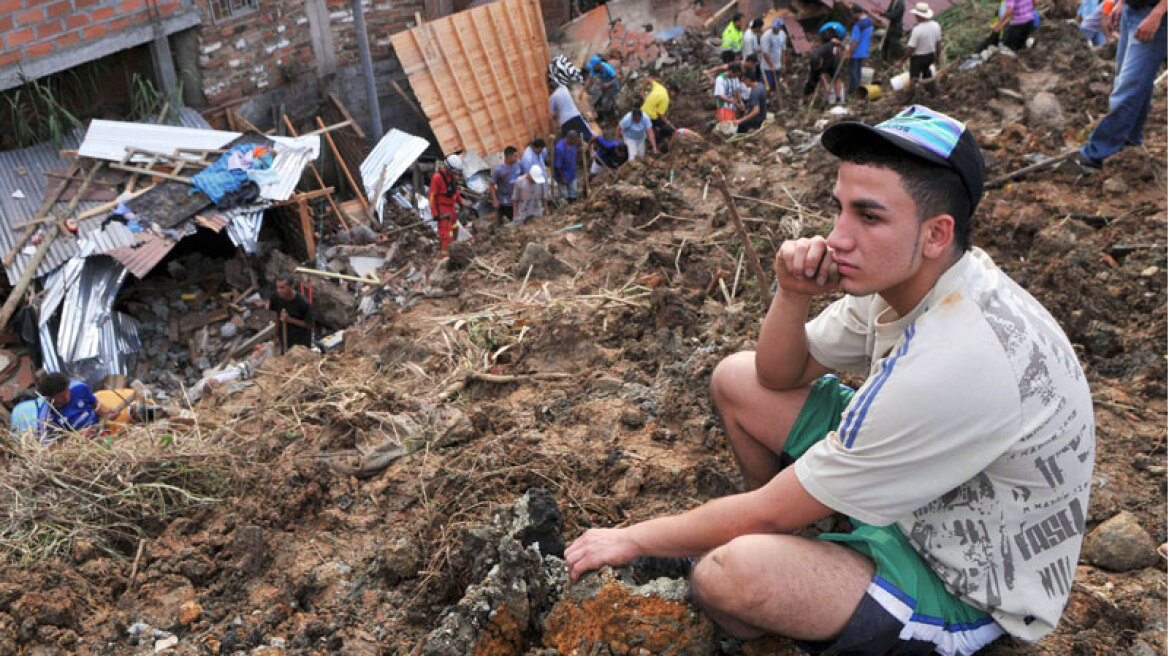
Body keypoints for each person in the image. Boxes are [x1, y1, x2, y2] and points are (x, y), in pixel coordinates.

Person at [565, 105, 1094, 655]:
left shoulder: (957, 354)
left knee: (728, 576)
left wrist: (629, 539)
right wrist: (792, 293)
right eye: (839, 209)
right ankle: (807, 542)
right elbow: (776, 373)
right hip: (918, 497)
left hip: (964, 582)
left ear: (937, 234)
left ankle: (797, 613)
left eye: (869, 217)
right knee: (736, 380)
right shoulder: (911, 281)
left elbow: (768, 509)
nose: (838, 237)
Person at [1078, 0, 1166, 172]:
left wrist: (1157, 13)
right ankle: (1128, 142)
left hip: (1154, 14)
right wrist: (1120, 4)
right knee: (1134, 81)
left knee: (1129, 86)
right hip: (1131, 10)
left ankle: (1096, 154)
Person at [34, 372, 112, 438]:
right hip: (78, 448)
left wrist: (108, 414)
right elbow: (49, 448)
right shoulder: (46, 417)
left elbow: (98, 406)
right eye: (60, 396)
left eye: (67, 391)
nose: (66, 397)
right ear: (50, 397)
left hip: (100, 433)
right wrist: (76, 437)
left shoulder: (80, 388)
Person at [429, 163, 469, 255]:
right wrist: (435, 213)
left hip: (451, 208)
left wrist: (460, 201)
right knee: (446, 236)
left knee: (455, 229)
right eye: (454, 171)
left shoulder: (452, 176)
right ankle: (445, 258)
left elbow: (455, 191)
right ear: (449, 168)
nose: (455, 173)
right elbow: (432, 196)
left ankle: (453, 252)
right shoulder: (437, 177)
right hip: (442, 209)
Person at [897, 3, 943, 86]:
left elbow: (910, 49)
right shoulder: (936, 25)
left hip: (918, 58)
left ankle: (915, 94)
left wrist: (902, 61)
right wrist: (938, 55)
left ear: (918, 16)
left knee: (914, 79)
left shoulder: (917, 30)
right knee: (927, 73)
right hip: (930, 56)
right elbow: (938, 43)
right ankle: (931, 91)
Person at [269, 273, 314, 353]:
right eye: (277, 287)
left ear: (291, 287)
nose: (279, 291)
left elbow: (309, 325)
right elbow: (277, 316)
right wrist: (276, 336)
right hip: (285, 339)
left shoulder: (303, 303)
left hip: (301, 342)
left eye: (282, 288)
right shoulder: (275, 298)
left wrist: (290, 319)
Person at [804, 30, 842, 105]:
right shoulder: (813, 60)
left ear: (821, 60)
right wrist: (826, 86)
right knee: (811, 82)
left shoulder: (827, 47)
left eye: (819, 66)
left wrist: (844, 47)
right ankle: (805, 101)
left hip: (830, 62)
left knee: (837, 77)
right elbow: (821, 74)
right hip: (819, 67)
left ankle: (838, 99)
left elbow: (835, 40)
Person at [845, 5, 875, 96]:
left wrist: (849, 52)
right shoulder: (870, 21)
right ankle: (857, 91)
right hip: (864, 51)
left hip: (856, 52)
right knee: (858, 71)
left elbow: (855, 41)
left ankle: (852, 93)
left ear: (857, 13)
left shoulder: (857, 25)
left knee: (853, 73)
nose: (852, 16)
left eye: (853, 14)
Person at [490, 146, 523, 223]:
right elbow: (491, 185)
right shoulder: (499, 170)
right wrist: (495, 200)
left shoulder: (518, 165)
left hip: (517, 199)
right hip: (505, 201)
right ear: (508, 157)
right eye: (515, 156)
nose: (517, 158)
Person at [641, 77, 679, 146]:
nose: (674, 96)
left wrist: (642, 92)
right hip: (650, 116)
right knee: (666, 129)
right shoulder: (666, 99)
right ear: (672, 91)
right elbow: (660, 115)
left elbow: (648, 80)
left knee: (661, 124)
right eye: (675, 94)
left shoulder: (659, 87)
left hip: (642, 112)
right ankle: (656, 142)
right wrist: (670, 125)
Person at [759, 18, 788, 97]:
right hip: (767, 67)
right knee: (767, 86)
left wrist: (783, 63)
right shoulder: (766, 37)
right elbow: (765, 53)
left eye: (777, 28)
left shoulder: (782, 34)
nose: (775, 29)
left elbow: (783, 49)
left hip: (777, 65)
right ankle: (765, 101)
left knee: (775, 85)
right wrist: (771, 65)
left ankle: (772, 100)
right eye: (774, 28)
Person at [585, 55, 620, 119]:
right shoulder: (595, 69)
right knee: (594, 94)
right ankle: (597, 113)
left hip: (614, 85)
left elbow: (617, 77)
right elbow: (589, 79)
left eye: (593, 66)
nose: (592, 68)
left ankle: (609, 116)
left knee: (605, 102)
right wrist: (583, 90)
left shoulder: (607, 68)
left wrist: (608, 84)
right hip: (604, 84)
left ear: (598, 65)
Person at [553, 131, 582, 203]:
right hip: (562, 174)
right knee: (563, 195)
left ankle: (573, 204)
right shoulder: (560, 148)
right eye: (574, 141)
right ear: (569, 139)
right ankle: (564, 208)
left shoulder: (573, 145)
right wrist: (562, 178)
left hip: (572, 172)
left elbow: (576, 152)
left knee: (573, 192)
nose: (575, 142)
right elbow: (558, 165)